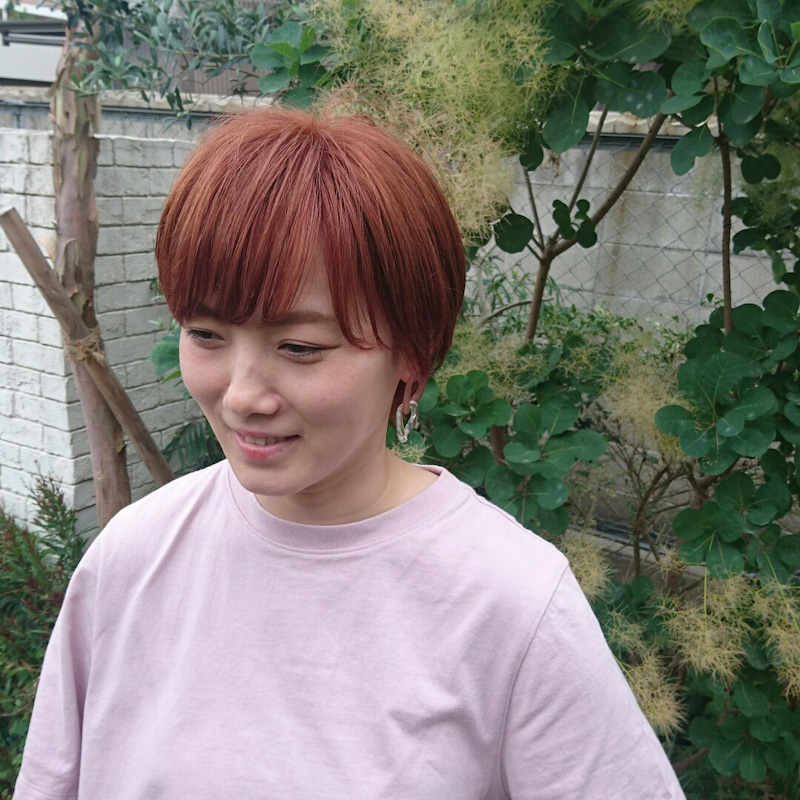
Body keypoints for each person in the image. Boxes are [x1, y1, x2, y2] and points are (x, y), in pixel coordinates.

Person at [14, 107, 686, 800]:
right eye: (206, 334)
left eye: (300, 347)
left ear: (411, 354)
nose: (241, 395)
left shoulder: (510, 604)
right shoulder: (133, 558)